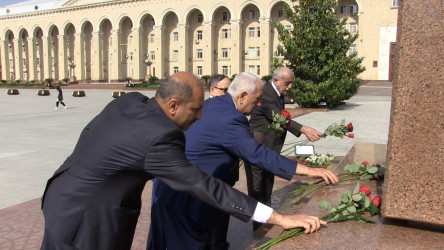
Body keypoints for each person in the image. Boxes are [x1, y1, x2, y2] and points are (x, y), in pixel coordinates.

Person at [40, 72, 327, 250]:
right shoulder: (161, 138)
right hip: (90, 222)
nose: (200, 117)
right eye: (196, 109)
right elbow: (207, 187)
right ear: (174, 105)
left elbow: (91, 134)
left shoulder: (129, 101)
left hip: (61, 197)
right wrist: (278, 217)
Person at [147, 72, 338, 249]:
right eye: (256, 101)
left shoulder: (216, 104)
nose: (259, 106)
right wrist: (308, 171)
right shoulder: (231, 118)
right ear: (243, 96)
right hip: (189, 200)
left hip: (174, 189)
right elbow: (257, 154)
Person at [245, 67, 324, 230]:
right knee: (257, 186)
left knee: (267, 182)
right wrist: (304, 129)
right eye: (287, 83)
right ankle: (258, 226)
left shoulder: (276, 92)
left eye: (291, 83)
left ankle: (265, 219)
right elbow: (278, 117)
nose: (289, 87)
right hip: (258, 145)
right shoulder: (266, 93)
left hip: (269, 146)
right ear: (276, 80)